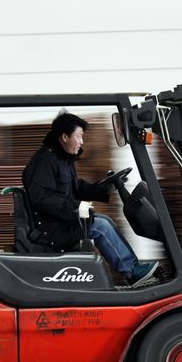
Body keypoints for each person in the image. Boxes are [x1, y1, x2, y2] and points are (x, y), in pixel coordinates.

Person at [22, 111, 160, 287]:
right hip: (51, 228)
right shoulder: (45, 161)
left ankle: (134, 267)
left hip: (60, 221)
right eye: (79, 136)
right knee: (100, 226)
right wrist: (75, 206)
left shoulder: (62, 159)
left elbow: (76, 187)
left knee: (104, 220)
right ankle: (131, 272)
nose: (82, 142)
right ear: (64, 137)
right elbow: (41, 198)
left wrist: (103, 188)